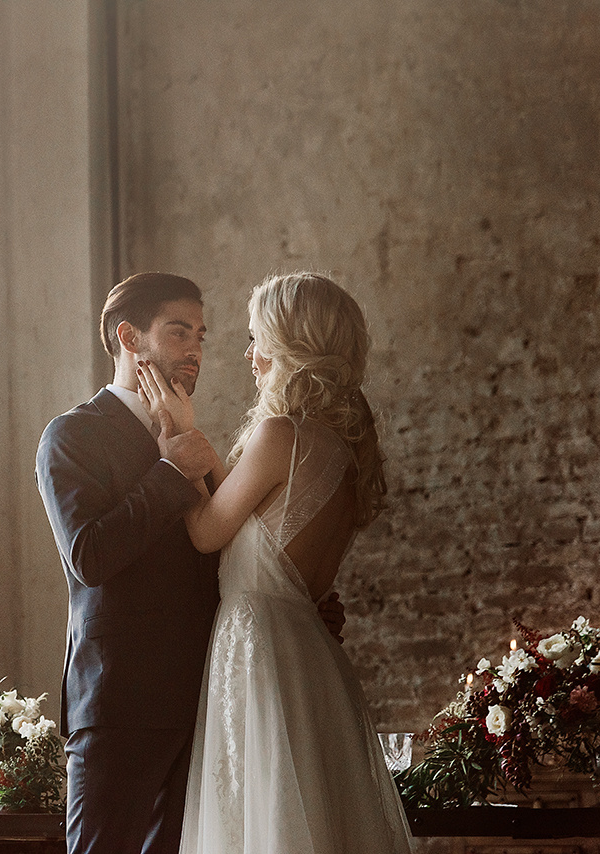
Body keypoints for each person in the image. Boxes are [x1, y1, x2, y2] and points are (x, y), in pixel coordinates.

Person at [35, 272, 345, 854]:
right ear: (130, 337)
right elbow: (88, 557)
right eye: (180, 333)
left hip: (209, 703)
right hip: (119, 709)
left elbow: (237, 549)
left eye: (202, 337)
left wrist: (301, 600)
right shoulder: (71, 436)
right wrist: (173, 471)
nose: (196, 352)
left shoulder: (199, 440)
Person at [138, 271, 412, 854]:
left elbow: (210, 533)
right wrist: (210, 457)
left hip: (256, 648)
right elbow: (264, 521)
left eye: (257, 336)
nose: (248, 354)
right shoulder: (343, 449)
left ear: (290, 346)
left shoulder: (280, 433)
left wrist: (177, 447)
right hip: (309, 654)